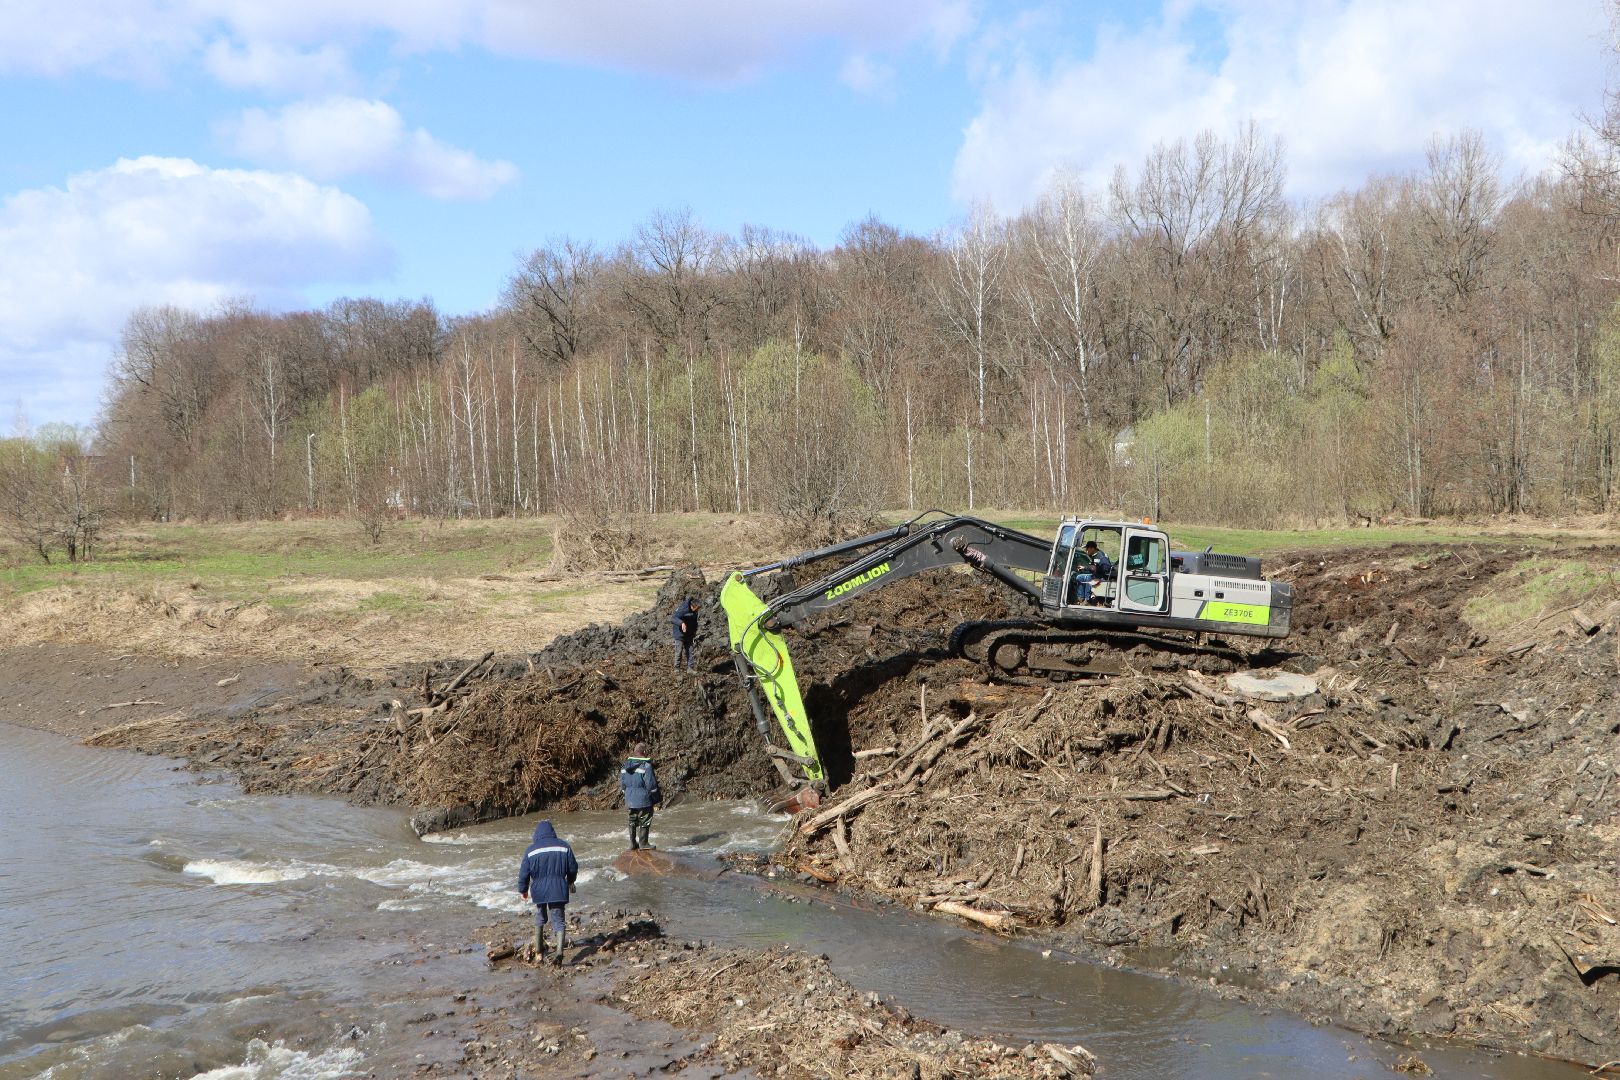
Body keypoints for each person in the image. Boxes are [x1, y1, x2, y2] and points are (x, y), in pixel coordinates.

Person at [516, 819, 578, 966]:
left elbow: (524, 873)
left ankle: (539, 953)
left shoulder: (531, 850)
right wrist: (570, 881)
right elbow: (573, 868)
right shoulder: (564, 846)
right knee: (559, 921)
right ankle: (559, 954)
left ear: (536, 834)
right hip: (558, 888)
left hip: (539, 890)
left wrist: (523, 890)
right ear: (552, 832)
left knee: (540, 917)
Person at [619, 742, 662, 851]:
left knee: (632, 820)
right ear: (644, 752)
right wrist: (656, 798)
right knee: (645, 819)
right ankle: (643, 843)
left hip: (629, 799)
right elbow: (651, 785)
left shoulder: (625, 765)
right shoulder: (646, 766)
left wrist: (627, 795)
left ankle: (632, 843)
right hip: (644, 799)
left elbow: (622, 784)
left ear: (634, 752)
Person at [1073, 540, 1114, 604]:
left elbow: (1106, 568)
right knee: (1079, 577)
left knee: (1089, 578)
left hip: (1102, 577)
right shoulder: (1094, 555)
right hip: (1096, 575)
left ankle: (1087, 600)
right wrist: (1085, 567)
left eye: (1087, 548)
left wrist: (1095, 568)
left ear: (1092, 548)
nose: (1086, 550)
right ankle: (1080, 598)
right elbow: (1092, 567)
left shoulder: (1101, 556)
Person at [671, 597, 701, 672]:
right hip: (679, 633)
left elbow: (695, 622)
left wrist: (694, 631)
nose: (698, 610)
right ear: (693, 606)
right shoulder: (683, 609)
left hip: (689, 634)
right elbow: (673, 618)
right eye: (697, 608)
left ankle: (690, 669)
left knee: (690, 651)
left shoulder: (695, 611)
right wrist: (682, 623)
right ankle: (676, 668)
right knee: (679, 651)